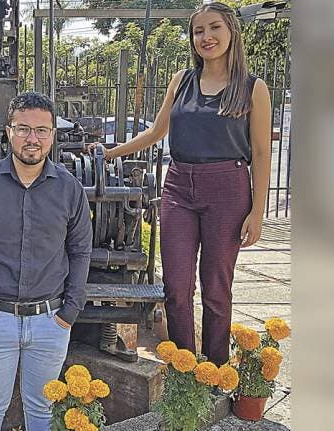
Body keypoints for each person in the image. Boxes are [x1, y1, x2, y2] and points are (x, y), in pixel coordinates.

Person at [92, 2, 272, 366]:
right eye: (198, 30)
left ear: (231, 31)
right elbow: (156, 132)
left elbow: (261, 151)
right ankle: (184, 370)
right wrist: (110, 153)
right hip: (178, 188)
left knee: (216, 288)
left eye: (214, 27)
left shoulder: (253, 88)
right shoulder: (182, 81)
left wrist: (258, 211)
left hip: (228, 189)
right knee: (175, 286)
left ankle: (216, 371)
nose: (206, 37)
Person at [0, 91, 93, 430]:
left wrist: (69, 312)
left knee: (43, 410)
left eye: (41, 130)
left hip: (50, 322)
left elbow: (80, 251)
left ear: (52, 135)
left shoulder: (69, 189)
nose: (33, 138)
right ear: (9, 132)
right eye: (23, 129)